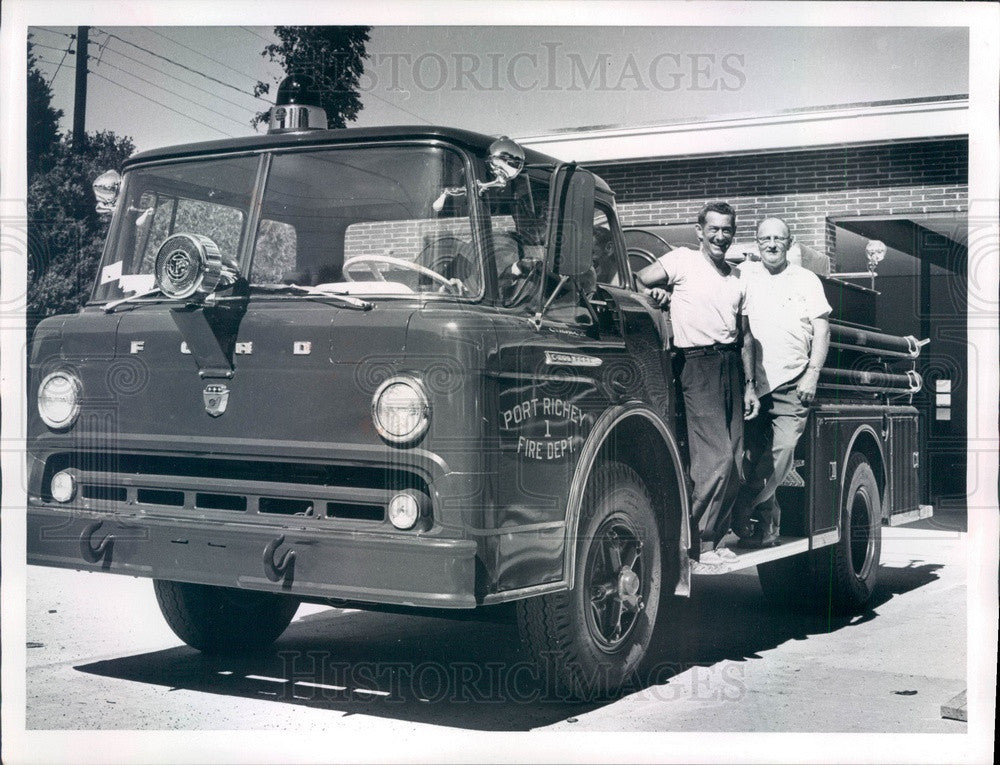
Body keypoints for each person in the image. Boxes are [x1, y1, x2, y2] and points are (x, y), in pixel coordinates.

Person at [636, 202, 760, 565]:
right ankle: (697, 545)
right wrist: (657, 296)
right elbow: (638, 280)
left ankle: (717, 540)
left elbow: (747, 336)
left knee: (735, 461)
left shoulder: (739, 276)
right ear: (699, 231)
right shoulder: (681, 261)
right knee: (715, 459)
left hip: (731, 366)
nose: (721, 236)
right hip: (695, 365)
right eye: (714, 229)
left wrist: (750, 384)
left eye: (727, 230)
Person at [734, 217, 831, 548]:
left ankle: (750, 500)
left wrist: (812, 374)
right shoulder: (743, 275)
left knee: (783, 451)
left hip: (793, 380)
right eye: (765, 239)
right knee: (748, 456)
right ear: (756, 243)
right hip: (750, 383)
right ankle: (768, 523)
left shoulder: (806, 280)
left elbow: (822, 330)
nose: (772, 244)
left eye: (779, 238)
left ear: (790, 244)